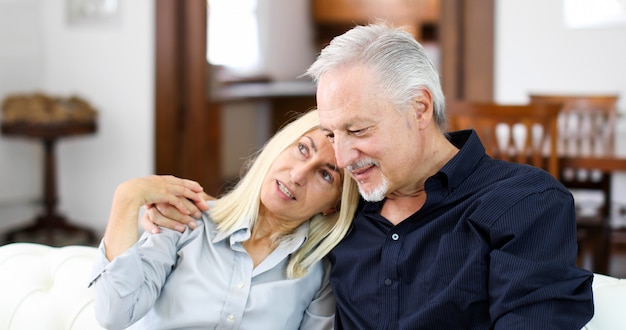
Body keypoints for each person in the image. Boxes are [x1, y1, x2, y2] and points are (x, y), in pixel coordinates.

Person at [143, 23, 594, 328]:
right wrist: (170, 218)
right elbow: (254, 239)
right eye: (332, 133)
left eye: (357, 131)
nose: (340, 157)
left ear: (419, 108)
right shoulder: (342, 209)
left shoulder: (524, 203)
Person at [89, 109, 360, 329]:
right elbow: (114, 313)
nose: (298, 175)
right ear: (279, 147)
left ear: (333, 206)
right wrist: (127, 197)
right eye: (302, 149)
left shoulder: (319, 276)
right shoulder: (186, 220)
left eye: (326, 175)